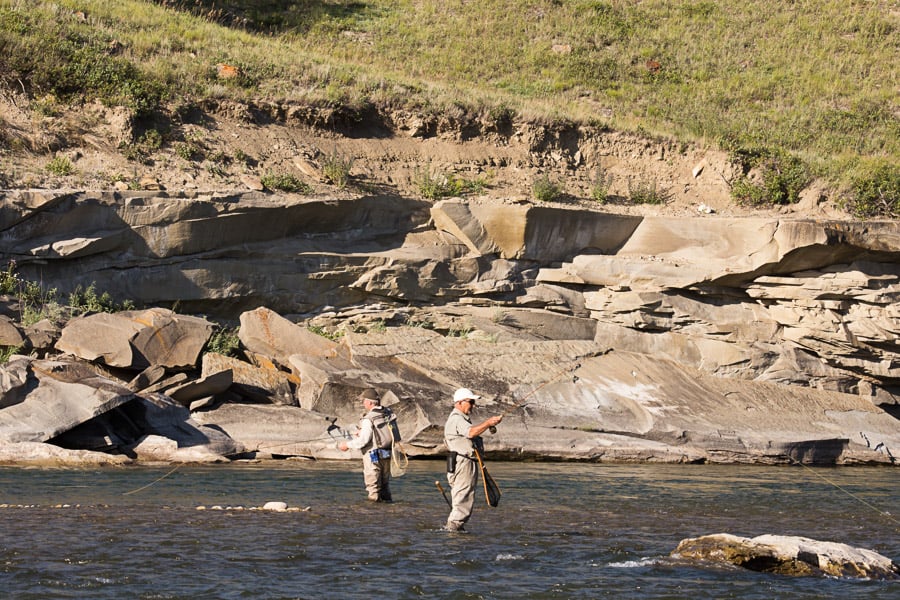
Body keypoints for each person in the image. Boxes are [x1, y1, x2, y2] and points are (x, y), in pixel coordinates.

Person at [443, 387, 503, 532]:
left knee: (462, 500)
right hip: (463, 464)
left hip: (464, 463)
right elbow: (470, 433)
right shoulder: (457, 419)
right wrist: (488, 423)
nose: (473, 406)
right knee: (462, 500)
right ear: (460, 402)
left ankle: (455, 529)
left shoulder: (461, 419)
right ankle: (452, 532)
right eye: (471, 402)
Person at [339, 388, 400, 502]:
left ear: (370, 402)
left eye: (364, 401)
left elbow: (363, 441)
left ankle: (373, 513)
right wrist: (361, 432)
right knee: (385, 485)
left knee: (373, 486)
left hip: (373, 456)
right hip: (387, 453)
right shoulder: (388, 413)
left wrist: (347, 445)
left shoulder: (368, 419)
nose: (363, 403)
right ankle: (388, 509)